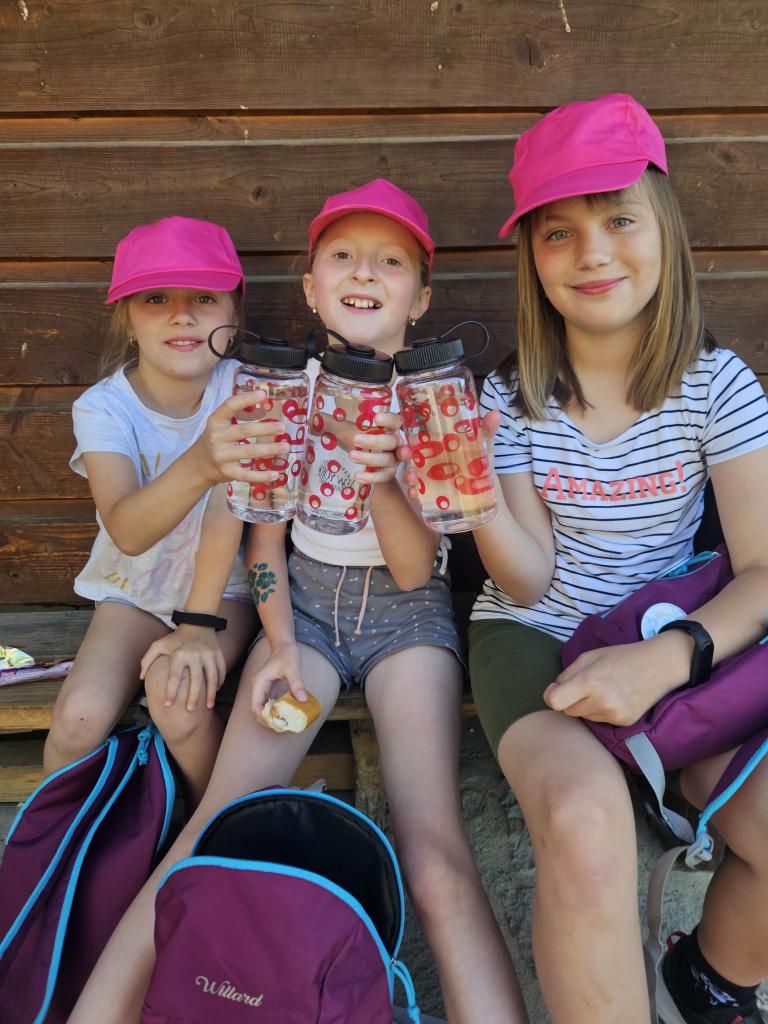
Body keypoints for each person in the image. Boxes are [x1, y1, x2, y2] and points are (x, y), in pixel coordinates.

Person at [69, 180, 528, 1024]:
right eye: (343, 256)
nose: (365, 273)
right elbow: (264, 544)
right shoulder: (282, 391)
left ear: (421, 297)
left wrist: (380, 476)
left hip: (408, 623)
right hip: (304, 616)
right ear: (312, 287)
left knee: (433, 857)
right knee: (214, 827)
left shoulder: (438, 399)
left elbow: (414, 569)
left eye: (391, 262)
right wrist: (277, 643)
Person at [466, 94, 768, 1024]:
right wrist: (473, 502)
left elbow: (763, 571)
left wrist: (666, 658)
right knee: (586, 820)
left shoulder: (718, 387)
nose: (592, 252)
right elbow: (526, 579)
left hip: (674, 638)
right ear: (532, 257)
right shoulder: (507, 398)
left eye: (619, 220)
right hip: (537, 634)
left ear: (665, 228)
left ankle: (706, 987)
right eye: (559, 232)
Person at [43, 215, 283, 806]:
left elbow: (231, 514)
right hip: (131, 590)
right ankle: (50, 841)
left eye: (204, 297)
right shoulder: (103, 408)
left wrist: (197, 627)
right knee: (78, 718)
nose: (182, 315)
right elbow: (127, 530)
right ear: (126, 316)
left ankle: (209, 827)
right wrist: (201, 461)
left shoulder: (250, 391)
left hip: (223, 595)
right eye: (156, 299)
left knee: (178, 701)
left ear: (234, 311)